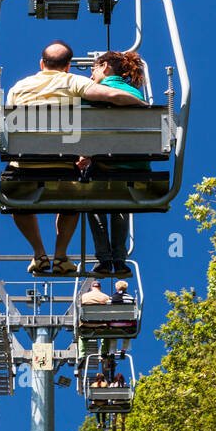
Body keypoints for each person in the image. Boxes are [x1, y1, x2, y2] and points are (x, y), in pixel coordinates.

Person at [4, 41, 144, 275]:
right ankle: (60, 256)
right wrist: (142, 104)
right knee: (72, 199)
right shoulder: (74, 81)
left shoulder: (18, 87)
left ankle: (39, 253)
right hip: (61, 165)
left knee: (16, 200)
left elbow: (8, 126)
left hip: (23, 164)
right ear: (68, 66)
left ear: (41, 63)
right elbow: (112, 95)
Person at [78, 51, 146, 278]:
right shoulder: (135, 93)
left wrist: (87, 153)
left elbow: (86, 127)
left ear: (105, 66)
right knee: (120, 203)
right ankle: (119, 259)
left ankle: (104, 258)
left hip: (107, 165)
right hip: (135, 166)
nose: (91, 75)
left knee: (91, 200)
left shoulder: (95, 92)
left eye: (93, 69)